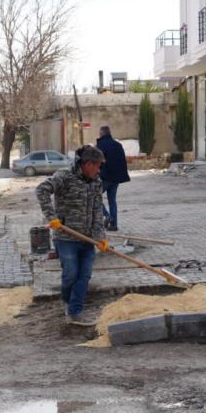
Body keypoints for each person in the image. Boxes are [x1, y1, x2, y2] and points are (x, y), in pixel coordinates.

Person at [36, 144, 109, 325]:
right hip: (66, 238)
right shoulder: (65, 176)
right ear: (87, 164)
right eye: (97, 165)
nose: (99, 170)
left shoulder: (96, 182)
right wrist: (52, 217)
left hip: (88, 239)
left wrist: (101, 237)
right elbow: (41, 190)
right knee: (70, 274)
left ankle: (75, 311)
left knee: (84, 276)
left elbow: (97, 210)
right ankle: (67, 302)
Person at [95, 125, 130, 231]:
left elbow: (97, 161)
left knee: (94, 196)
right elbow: (122, 161)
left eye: (99, 133)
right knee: (112, 201)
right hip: (116, 178)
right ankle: (114, 225)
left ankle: (107, 216)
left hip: (105, 177)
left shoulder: (100, 145)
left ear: (102, 133)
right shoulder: (118, 145)